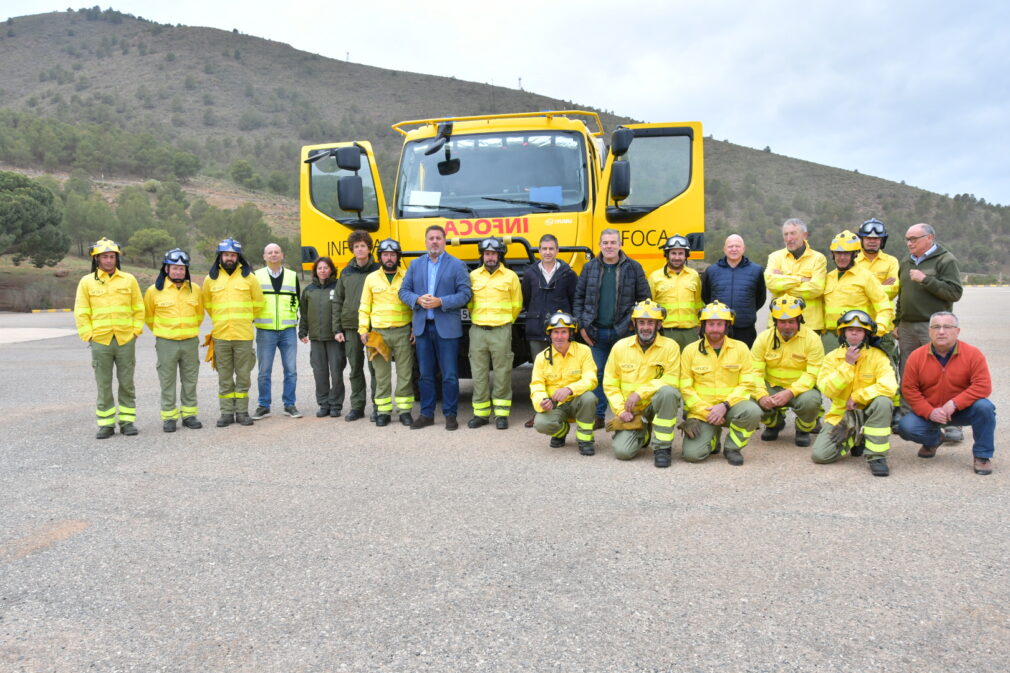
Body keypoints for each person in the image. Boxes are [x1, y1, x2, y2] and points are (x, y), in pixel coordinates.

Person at [897, 312, 995, 475]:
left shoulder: (973, 354)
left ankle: (982, 456)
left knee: (985, 408)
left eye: (947, 327)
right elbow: (909, 389)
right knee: (906, 426)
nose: (941, 331)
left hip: (962, 410)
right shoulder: (916, 356)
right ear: (929, 332)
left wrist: (955, 403)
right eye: (936, 327)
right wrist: (930, 412)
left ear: (957, 331)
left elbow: (983, 386)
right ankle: (934, 440)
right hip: (930, 411)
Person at [573, 228, 650, 427]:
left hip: (623, 332)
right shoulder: (589, 268)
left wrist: (633, 328)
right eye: (605, 243)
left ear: (620, 244)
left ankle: (625, 413)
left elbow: (644, 300)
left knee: (626, 374)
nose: (609, 246)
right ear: (599, 245)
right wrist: (582, 326)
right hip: (595, 332)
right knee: (598, 374)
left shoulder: (634, 268)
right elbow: (579, 298)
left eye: (613, 242)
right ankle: (598, 415)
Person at [399, 225, 472, 431]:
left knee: (449, 374)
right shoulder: (415, 265)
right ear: (425, 241)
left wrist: (442, 301)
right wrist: (417, 299)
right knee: (425, 374)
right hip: (422, 328)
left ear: (444, 241)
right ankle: (426, 414)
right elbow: (403, 291)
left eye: (438, 238)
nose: (434, 242)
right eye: (430, 238)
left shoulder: (457, 265)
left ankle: (450, 415)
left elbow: (465, 294)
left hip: (447, 328)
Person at [811, 310, 897, 477]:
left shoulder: (878, 356)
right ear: (843, 333)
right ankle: (857, 438)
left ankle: (876, 457)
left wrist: (858, 396)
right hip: (842, 416)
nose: (854, 334)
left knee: (883, 402)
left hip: (869, 413)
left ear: (866, 334)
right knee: (820, 455)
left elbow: (890, 386)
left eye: (859, 330)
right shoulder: (832, 358)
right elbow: (826, 389)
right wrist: (848, 364)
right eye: (850, 330)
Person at [895, 223, 963, 432]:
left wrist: (926, 280)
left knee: (942, 371)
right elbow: (902, 294)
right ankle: (908, 416)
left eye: (914, 239)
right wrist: (897, 322)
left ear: (930, 238)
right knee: (907, 370)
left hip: (933, 326)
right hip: (907, 326)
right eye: (907, 239)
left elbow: (954, 293)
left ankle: (951, 424)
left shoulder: (945, 260)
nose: (909, 243)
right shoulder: (906, 261)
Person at [74, 237, 144, 439]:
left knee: (127, 383)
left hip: (125, 340)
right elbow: (81, 312)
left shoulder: (129, 280)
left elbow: (139, 309)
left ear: (116, 258)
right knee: (103, 384)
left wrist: (135, 331)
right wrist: (88, 335)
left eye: (111, 256)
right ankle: (105, 424)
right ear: (96, 259)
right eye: (104, 257)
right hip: (100, 341)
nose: (108, 260)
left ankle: (127, 422)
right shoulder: (86, 282)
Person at [679, 301, 762, 465]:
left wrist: (725, 405)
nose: (715, 329)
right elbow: (685, 388)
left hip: (730, 406)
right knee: (693, 456)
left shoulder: (741, 349)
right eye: (710, 324)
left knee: (753, 411)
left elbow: (747, 384)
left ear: (727, 326)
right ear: (703, 326)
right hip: (703, 410)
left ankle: (732, 447)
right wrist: (706, 412)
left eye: (719, 324)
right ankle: (712, 438)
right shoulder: (690, 351)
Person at [602, 299, 682, 467]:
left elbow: (672, 379)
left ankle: (662, 448)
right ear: (634, 323)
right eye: (642, 322)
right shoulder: (620, 347)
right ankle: (644, 433)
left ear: (659, 324)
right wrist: (621, 410)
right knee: (622, 452)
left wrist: (640, 393)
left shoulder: (671, 347)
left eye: (650, 322)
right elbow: (610, 383)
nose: (646, 327)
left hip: (655, 404)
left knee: (669, 392)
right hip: (631, 411)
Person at [202, 238, 265, 428]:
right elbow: (208, 305)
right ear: (220, 256)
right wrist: (222, 319)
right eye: (226, 254)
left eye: (233, 255)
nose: (230, 258)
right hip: (221, 336)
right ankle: (227, 413)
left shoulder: (249, 278)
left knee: (244, 376)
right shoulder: (210, 279)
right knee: (225, 376)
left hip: (243, 335)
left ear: (238, 257)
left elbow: (258, 303)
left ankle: (243, 412)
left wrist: (244, 318)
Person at [521, 233, 577, 427]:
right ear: (539, 251)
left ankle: (565, 410)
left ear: (557, 250)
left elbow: (574, 300)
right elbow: (527, 300)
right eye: (544, 249)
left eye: (551, 248)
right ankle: (540, 411)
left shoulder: (568, 274)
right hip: (536, 328)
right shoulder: (530, 274)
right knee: (540, 374)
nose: (547, 252)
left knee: (564, 372)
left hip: (561, 330)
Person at [144, 248, 203, 433]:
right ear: (166, 269)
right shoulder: (154, 291)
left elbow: (199, 315)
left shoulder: (195, 291)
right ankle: (169, 417)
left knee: (190, 380)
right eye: (174, 268)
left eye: (182, 268)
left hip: (190, 342)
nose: (178, 271)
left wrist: (187, 330)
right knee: (167, 381)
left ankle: (189, 415)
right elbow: (148, 316)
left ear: (186, 271)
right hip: (166, 342)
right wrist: (164, 332)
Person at [752, 295, 824, 447]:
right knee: (751, 400)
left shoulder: (812, 339)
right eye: (782, 322)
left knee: (811, 401)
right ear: (775, 321)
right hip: (771, 386)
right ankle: (774, 424)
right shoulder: (764, 338)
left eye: (791, 321)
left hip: (801, 390)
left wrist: (791, 392)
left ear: (799, 319)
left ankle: (803, 429)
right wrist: (761, 395)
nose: (787, 326)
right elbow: (754, 372)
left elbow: (812, 374)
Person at [467, 237, 522, 429]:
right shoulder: (473, 276)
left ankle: (501, 414)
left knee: (502, 373)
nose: (490, 257)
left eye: (494, 253)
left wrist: (504, 322)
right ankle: (481, 414)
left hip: (501, 330)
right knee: (479, 373)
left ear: (500, 255)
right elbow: (469, 303)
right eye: (487, 253)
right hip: (478, 331)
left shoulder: (511, 277)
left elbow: (517, 305)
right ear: (482, 255)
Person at [360, 239, 415, 427]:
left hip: (403, 333)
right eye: (385, 255)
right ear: (380, 257)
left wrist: (415, 328)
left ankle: (405, 410)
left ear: (398, 257)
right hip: (378, 334)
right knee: (381, 375)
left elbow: (414, 306)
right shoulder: (371, 278)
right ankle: (383, 411)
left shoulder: (408, 276)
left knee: (405, 373)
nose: (389, 258)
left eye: (392, 255)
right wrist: (362, 330)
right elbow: (364, 306)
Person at [530, 311, 598, 456]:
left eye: (563, 332)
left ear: (570, 333)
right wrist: (541, 401)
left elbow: (591, 378)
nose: (559, 337)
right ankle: (561, 431)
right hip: (555, 404)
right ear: (550, 334)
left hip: (576, 400)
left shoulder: (583, 351)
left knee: (589, 398)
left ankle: (585, 439)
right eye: (555, 332)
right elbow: (536, 385)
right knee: (540, 424)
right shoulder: (541, 358)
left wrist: (569, 389)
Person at [821, 230, 894, 355]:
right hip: (831, 338)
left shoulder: (866, 277)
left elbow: (884, 307)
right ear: (832, 254)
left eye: (846, 253)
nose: (842, 257)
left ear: (855, 254)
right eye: (838, 253)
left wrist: (877, 330)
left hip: (859, 337)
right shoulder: (828, 278)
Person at [252, 243, 302, 420]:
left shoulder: (292, 276)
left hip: (288, 330)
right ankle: (263, 405)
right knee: (264, 371)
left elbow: (296, 299)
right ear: (264, 256)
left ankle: (289, 404)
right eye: (269, 252)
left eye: (276, 252)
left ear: (282, 255)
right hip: (265, 331)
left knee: (291, 370)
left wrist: (295, 321)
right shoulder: (255, 276)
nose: (273, 255)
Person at [335, 230, 380, 422]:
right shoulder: (346, 271)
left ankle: (379, 406)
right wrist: (337, 328)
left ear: (369, 248)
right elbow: (338, 300)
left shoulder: (378, 270)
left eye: (363, 245)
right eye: (356, 247)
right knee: (355, 368)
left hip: (373, 327)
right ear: (352, 250)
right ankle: (357, 406)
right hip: (351, 326)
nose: (360, 249)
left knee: (375, 368)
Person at [700, 234, 765, 347]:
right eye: (730, 246)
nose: (734, 249)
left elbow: (760, 298)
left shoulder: (756, 270)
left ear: (743, 248)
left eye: (737, 246)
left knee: (744, 362)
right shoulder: (711, 271)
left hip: (745, 328)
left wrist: (747, 310)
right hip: (718, 327)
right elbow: (706, 296)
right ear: (724, 249)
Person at [765, 218, 827, 333]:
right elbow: (771, 283)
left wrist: (783, 285)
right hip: (779, 321)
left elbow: (816, 289)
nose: (789, 239)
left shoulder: (818, 259)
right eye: (786, 234)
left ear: (805, 235)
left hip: (809, 325)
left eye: (793, 234)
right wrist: (801, 279)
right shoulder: (775, 257)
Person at [298, 256, 343, 418]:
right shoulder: (309, 290)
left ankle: (336, 404)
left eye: (325, 267)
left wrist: (340, 330)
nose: (322, 271)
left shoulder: (338, 287)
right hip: (316, 338)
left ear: (331, 269)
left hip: (335, 338)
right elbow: (304, 313)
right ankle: (324, 404)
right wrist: (302, 331)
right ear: (315, 271)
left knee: (337, 372)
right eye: (319, 268)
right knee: (320, 372)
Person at [854, 218, 900, 362]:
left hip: (884, 327)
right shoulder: (852, 260)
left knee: (888, 366)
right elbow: (849, 290)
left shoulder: (891, 261)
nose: (872, 241)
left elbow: (894, 289)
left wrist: (862, 287)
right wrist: (881, 285)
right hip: (857, 325)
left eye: (876, 238)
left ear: (882, 241)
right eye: (868, 238)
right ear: (861, 239)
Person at [649, 234, 703, 352]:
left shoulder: (694, 276)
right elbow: (650, 306)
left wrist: (699, 324)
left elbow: (698, 302)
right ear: (667, 254)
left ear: (686, 255)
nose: (677, 257)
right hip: (665, 332)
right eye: (673, 253)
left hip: (690, 333)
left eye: (680, 253)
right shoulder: (655, 277)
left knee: (689, 367)